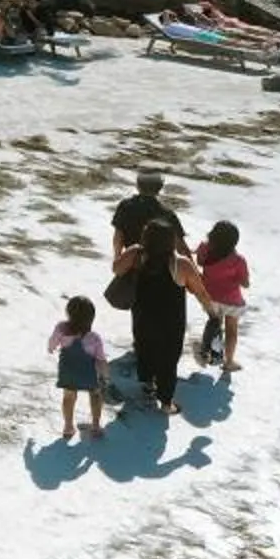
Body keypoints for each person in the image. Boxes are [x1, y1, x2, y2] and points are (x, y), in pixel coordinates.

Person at [113, 218, 200, 413]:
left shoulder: (136, 253)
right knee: (168, 358)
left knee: (144, 347)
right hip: (172, 320)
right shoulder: (180, 263)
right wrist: (212, 313)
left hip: (142, 314)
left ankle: (147, 384)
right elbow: (198, 290)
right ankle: (166, 404)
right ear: (170, 241)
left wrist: (122, 254)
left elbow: (116, 269)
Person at [191, 220, 251, 377]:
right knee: (231, 331)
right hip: (231, 300)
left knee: (213, 323)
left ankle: (207, 352)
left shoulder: (204, 249)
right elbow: (245, 284)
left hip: (209, 297)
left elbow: (199, 261)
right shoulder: (238, 260)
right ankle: (228, 361)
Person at [47, 294, 108, 442]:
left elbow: (52, 343)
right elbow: (101, 360)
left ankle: (68, 426)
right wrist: (105, 376)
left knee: (68, 397)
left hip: (68, 372)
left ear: (69, 313)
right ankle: (95, 425)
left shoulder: (61, 328)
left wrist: (51, 348)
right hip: (88, 374)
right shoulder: (94, 338)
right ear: (91, 318)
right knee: (95, 395)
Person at [109, 168, 186, 259]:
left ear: (138, 185)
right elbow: (180, 246)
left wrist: (118, 257)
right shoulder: (166, 214)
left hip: (132, 260)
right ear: (159, 187)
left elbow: (119, 235)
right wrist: (193, 269)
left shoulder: (126, 206)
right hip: (160, 265)